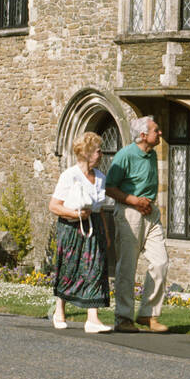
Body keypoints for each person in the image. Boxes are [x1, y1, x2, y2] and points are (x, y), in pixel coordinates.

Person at [105, 115, 169, 332]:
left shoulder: (151, 154)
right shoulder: (125, 156)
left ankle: (148, 314)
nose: (160, 133)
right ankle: (123, 317)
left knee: (160, 262)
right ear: (143, 135)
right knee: (127, 266)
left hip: (151, 213)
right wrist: (134, 200)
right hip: (129, 213)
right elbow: (109, 187)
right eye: (156, 130)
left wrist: (147, 204)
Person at [48, 133, 113, 332]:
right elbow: (54, 206)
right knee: (68, 268)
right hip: (71, 228)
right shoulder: (70, 175)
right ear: (86, 153)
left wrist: (107, 234)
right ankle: (60, 310)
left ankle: (92, 319)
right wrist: (75, 214)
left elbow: (100, 209)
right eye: (97, 150)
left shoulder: (100, 177)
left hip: (94, 228)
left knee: (96, 269)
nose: (101, 154)